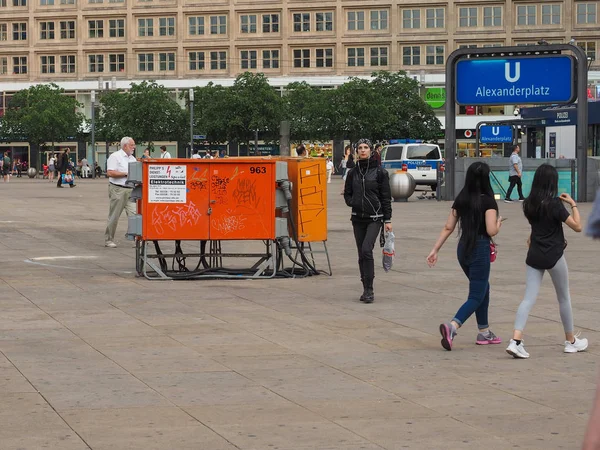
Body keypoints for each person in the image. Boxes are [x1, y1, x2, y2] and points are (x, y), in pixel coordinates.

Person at [506, 165, 587, 359]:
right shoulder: (554, 204)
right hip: (554, 255)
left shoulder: (529, 204)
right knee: (563, 297)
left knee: (528, 298)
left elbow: (536, 227)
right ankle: (570, 341)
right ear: (553, 182)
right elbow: (577, 226)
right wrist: (573, 205)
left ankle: (515, 340)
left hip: (534, 254)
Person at [427, 162, 503, 351]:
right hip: (480, 249)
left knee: (483, 287)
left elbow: (448, 227)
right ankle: (452, 327)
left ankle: (484, 332)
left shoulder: (461, 198)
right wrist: (499, 223)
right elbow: (491, 230)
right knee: (476, 295)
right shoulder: (489, 202)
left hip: (463, 249)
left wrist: (435, 249)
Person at [343, 138, 392, 304]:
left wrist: (388, 219)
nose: (363, 150)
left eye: (366, 148)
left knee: (366, 250)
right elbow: (347, 193)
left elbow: (386, 197)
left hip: (375, 218)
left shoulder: (380, 172)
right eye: (360, 148)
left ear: (371, 150)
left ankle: (370, 289)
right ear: (356, 151)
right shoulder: (352, 173)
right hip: (357, 217)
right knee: (360, 254)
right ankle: (365, 287)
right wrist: (353, 201)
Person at [104, 137, 137, 248]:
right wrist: (126, 174)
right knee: (114, 215)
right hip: (118, 189)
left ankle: (135, 238)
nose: (134, 147)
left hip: (131, 189)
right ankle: (109, 239)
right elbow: (110, 172)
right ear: (125, 146)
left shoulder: (132, 158)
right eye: (132, 145)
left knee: (134, 214)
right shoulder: (115, 156)